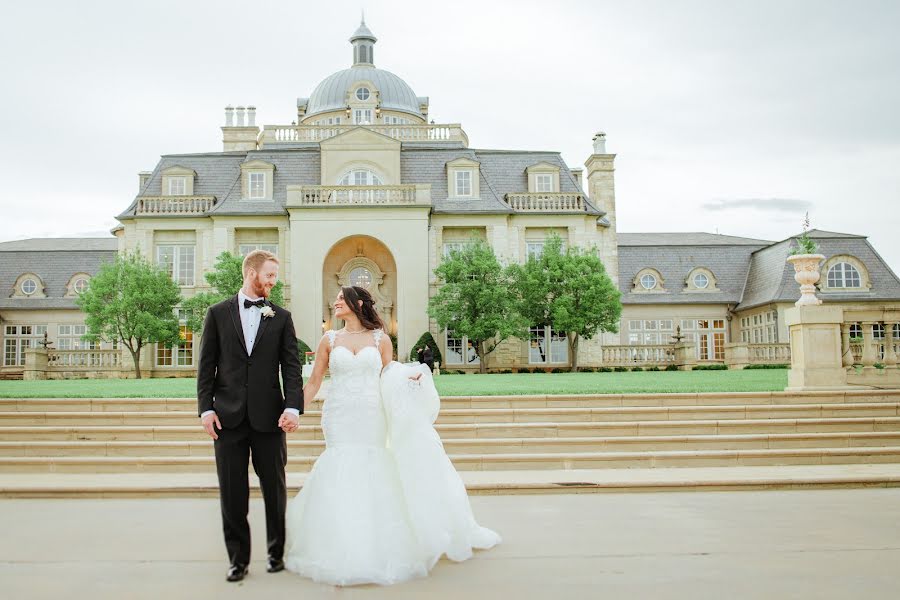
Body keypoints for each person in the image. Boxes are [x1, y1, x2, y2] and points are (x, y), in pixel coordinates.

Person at [284, 286, 499, 586]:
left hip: (372, 415)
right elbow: (315, 381)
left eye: (340, 299)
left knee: (373, 467)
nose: (334, 303)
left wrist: (409, 377)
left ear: (357, 303)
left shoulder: (380, 338)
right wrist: (293, 410)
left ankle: (379, 544)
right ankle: (340, 541)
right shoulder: (329, 339)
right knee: (340, 465)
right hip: (339, 415)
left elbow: (389, 373)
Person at [196, 250, 303, 583]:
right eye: (269, 275)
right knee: (232, 491)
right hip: (226, 418)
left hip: (270, 418)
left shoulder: (282, 317)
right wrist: (206, 408)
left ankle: (275, 553)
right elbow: (206, 366)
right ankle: (237, 560)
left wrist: (292, 406)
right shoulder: (216, 314)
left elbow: (292, 366)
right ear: (251, 273)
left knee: (275, 489)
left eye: (275, 276)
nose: (273, 281)